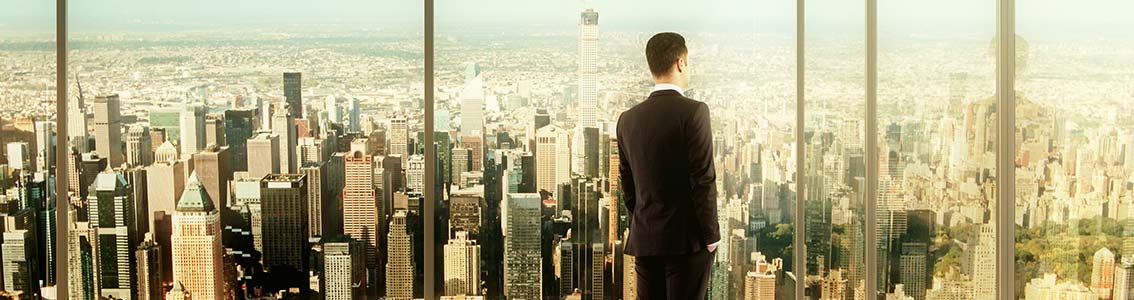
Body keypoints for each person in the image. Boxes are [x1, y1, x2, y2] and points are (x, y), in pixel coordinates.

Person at [617, 32, 720, 299]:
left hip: (645, 240)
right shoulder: (694, 112)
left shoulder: (627, 120)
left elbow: (627, 185)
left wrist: (640, 224)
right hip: (687, 242)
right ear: (680, 63)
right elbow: (703, 178)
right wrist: (711, 237)